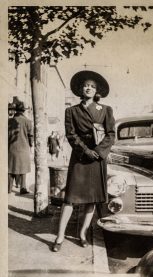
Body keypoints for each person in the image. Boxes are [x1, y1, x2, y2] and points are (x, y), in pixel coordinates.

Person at [52, 70, 115, 252]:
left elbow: (111, 135)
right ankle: (60, 236)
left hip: (97, 159)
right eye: (86, 85)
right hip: (80, 158)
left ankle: (82, 234)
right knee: (70, 199)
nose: (89, 88)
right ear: (81, 89)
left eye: (92, 86)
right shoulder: (71, 111)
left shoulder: (105, 110)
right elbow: (71, 135)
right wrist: (86, 151)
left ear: (97, 91)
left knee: (92, 200)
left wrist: (98, 152)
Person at [8, 100, 33, 194]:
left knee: (10, 169)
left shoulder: (9, 121)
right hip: (24, 148)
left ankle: (8, 188)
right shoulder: (28, 122)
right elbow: (31, 136)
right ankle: (23, 188)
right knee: (23, 169)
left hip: (11, 148)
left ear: (15, 110)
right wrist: (31, 145)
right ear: (23, 111)